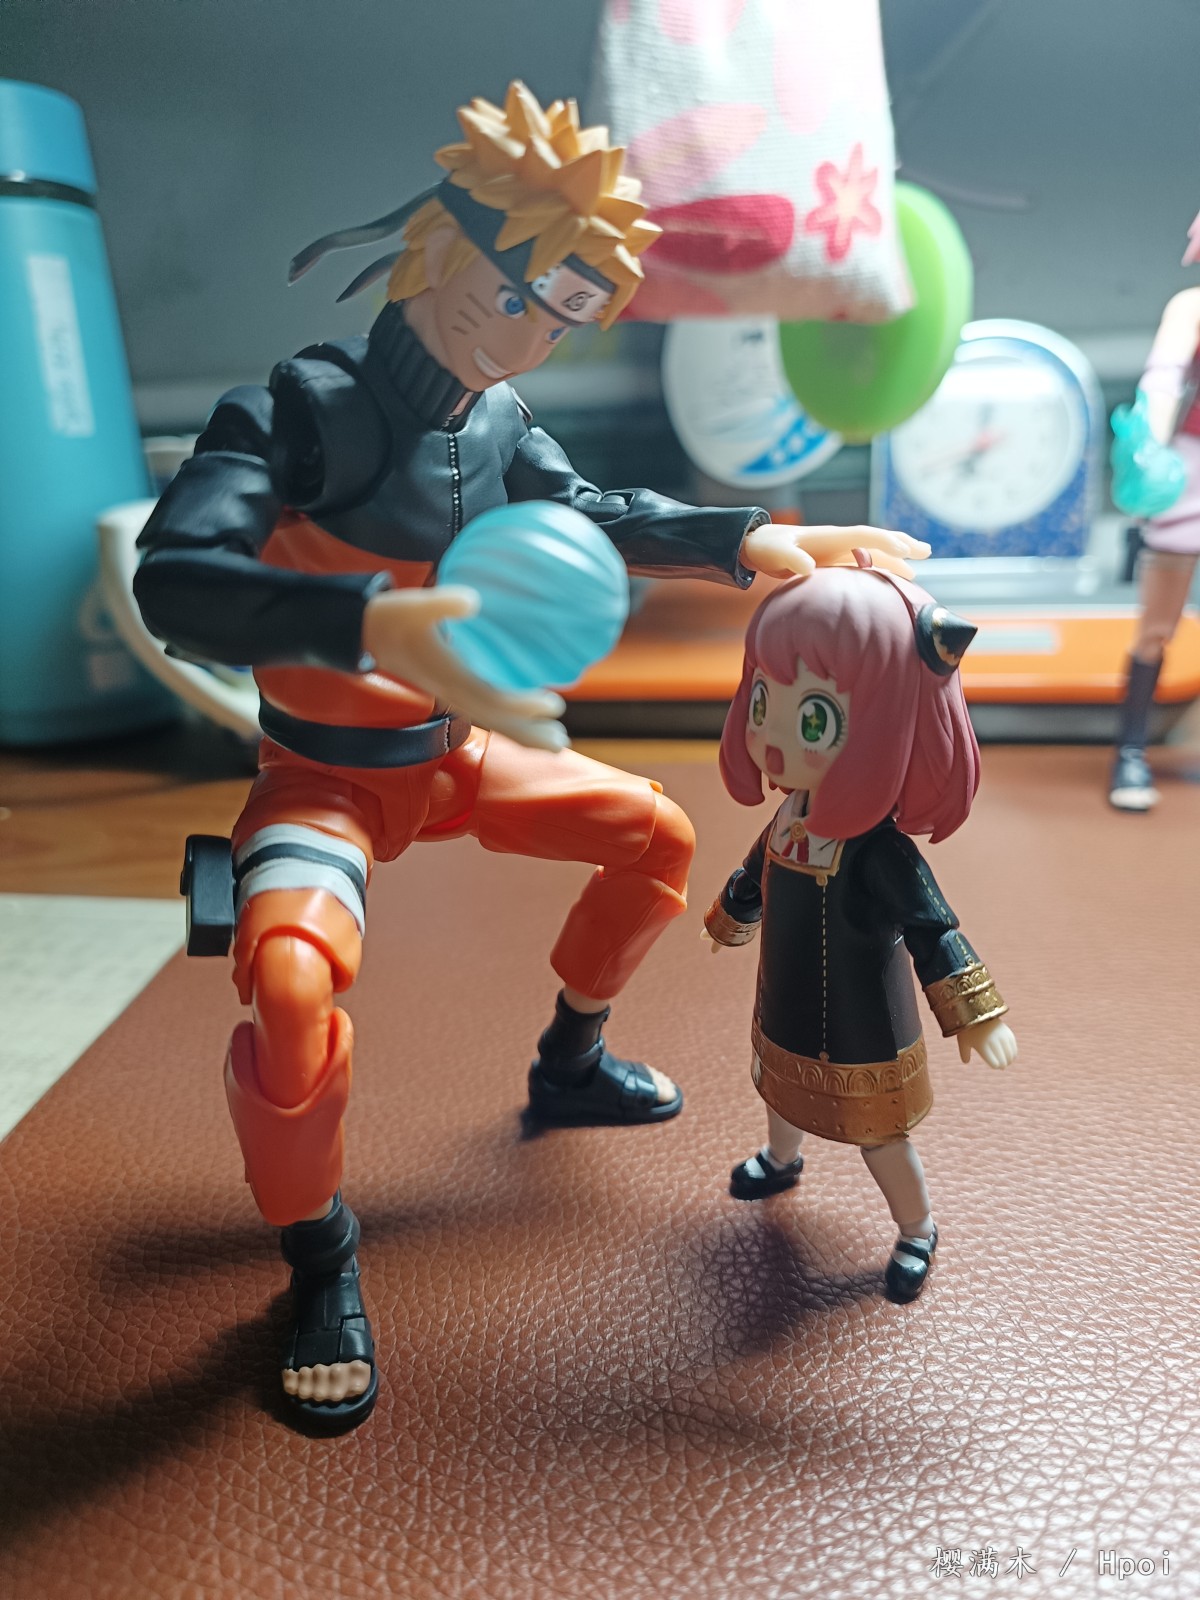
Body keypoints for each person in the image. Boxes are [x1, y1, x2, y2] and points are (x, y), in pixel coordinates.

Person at [135, 82, 925, 1429]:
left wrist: (750, 540)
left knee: (657, 836)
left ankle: (572, 1058)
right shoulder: (297, 412)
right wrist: (363, 618)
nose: (530, 338)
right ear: (444, 251)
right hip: (322, 780)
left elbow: (591, 509)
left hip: (460, 754)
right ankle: (318, 1259)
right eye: (521, 298)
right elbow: (175, 580)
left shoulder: (497, 420)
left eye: (563, 319)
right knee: (289, 985)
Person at [705, 565, 1017, 1302]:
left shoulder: (879, 853)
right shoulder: (790, 816)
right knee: (780, 1093)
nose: (774, 736)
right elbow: (755, 873)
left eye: (814, 719)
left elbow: (932, 928)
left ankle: (917, 1228)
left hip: (865, 1025)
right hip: (786, 1003)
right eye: (763, 702)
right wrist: (732, 917)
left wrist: (976, 1014)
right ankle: (782, 1160)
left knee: (879, 1135)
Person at [1109, 210, 1200, 811]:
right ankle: (1131, 751)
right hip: (1189, 473)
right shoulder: (1190, 306)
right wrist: (1152, 455)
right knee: (1158, 627)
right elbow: (1162, 383)